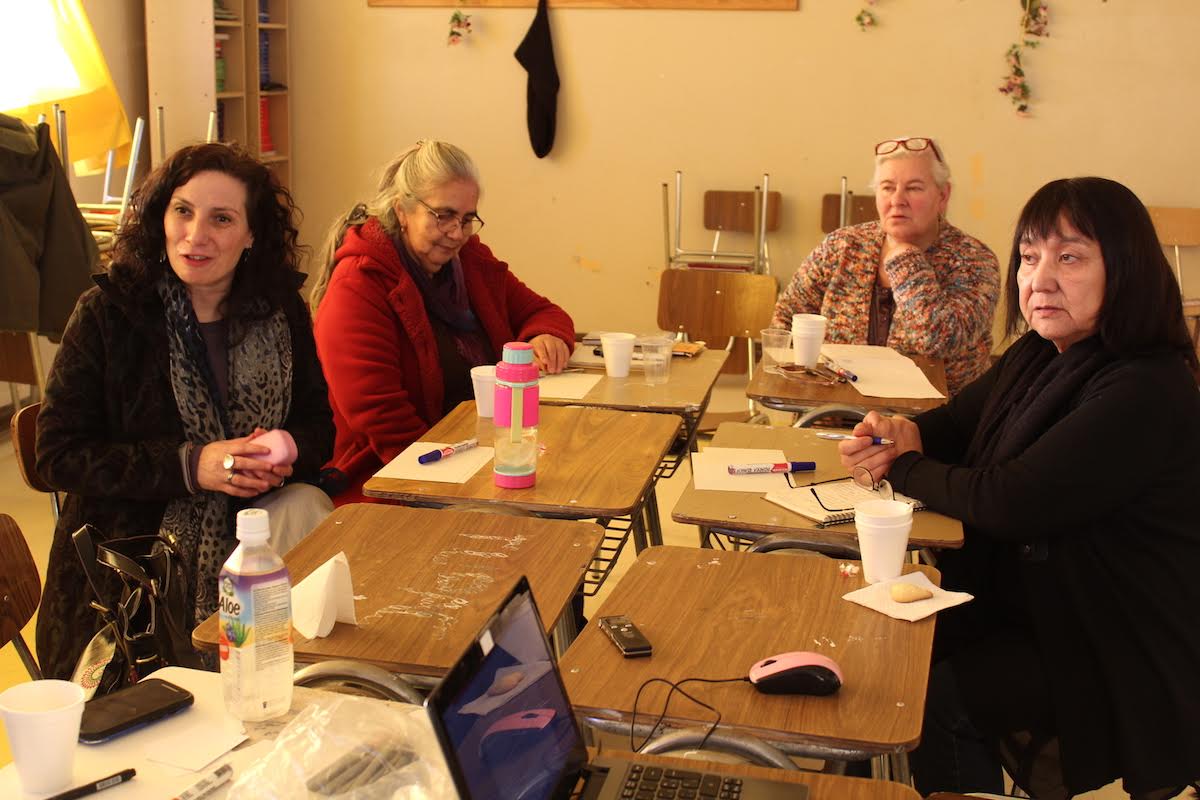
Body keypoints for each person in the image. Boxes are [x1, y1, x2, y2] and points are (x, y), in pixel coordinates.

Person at [839, 178, 1200, 799]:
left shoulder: (1146, 387)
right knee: (873, 657)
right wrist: (899, 433)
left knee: (935, 700)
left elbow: (1009, 501)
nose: (1040, 279)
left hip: (1108, 633)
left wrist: (899, 465)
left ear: (1128, 270)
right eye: (1029, 257)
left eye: (1070, 257)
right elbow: (956, 424)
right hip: (1033, 600)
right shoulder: (1040, 351)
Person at [35, 143, 335, 681]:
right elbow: (57, 455)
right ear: (160, 218)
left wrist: (284, 447)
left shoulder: (280, 311)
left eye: (222, 218)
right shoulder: (109, 314)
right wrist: (191, 465)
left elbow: (318, 426)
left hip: (255, 544)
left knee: (309, 508)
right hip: (133, 583)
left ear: (251, 235)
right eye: (183, 211)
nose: (196, 235)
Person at [310, 139, 575, 503]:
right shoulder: (359, 285)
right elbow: (382, 418)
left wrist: (546, 336)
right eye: (443, 215)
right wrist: (461, 483)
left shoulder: (469, 261)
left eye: (467, 219)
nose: (457, 233)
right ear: (402, 210)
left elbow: (542, 312)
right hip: (396, 478)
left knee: (574, 470)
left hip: (478, 454)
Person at [773, 137, 1000, 395]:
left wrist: (905, 259)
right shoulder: (842, 245)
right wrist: (809, 386)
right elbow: (786, 318)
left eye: (914, 188)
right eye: (887, 188)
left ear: (943, 195)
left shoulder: (973, 260)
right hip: (836, 407)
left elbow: (939, 342)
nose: (897, 200)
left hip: (935, 415)